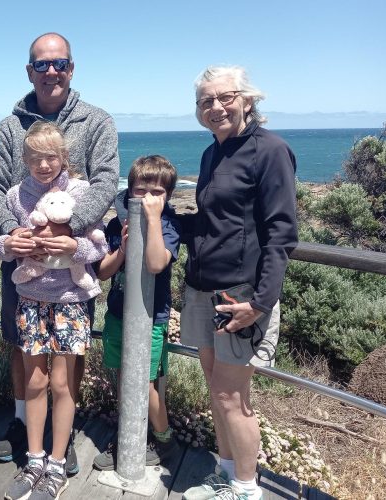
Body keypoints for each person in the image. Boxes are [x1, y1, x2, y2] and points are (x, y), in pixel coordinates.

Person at [0, 32, 120, 475]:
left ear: (71, 67)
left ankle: (64, 436)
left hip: (74, 260)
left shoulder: (97, 121)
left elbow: (105, 181)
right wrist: (13, 232)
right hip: (26, 258)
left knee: (68, 354)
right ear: (30, 71)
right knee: (23, 345)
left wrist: (69, 230)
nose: (51, 72)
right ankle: (25, 426)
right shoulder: (10, 127)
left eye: (59, 63)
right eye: (41, 65)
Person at [180, 66, 297, 500]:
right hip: (203, 286)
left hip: (242, 295)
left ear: (247, 99)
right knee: (216, 384)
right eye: (206, 101)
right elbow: (214, 222)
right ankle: (227, 474)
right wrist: (159, 221)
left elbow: (282, 234)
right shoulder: (213, 153)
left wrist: (261, 302)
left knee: (232, 395)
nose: (215, 107)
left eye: (224, 97)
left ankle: (246, 488)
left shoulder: (271, 151)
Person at [0, 121, 107, 500]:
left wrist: (71, 249)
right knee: (35, 382)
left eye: (51, 157)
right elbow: (3, 245)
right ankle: (34, 460)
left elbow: (99, 248)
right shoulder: (15, 196)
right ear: (24, 159)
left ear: (63, 158)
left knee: (61, 383)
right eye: (35, 158)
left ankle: (57, 464)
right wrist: (10, 245)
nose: (43, 165)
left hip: (71, 303)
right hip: (30, 299)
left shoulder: (80, 192)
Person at [91, 155, 181, 471]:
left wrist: (153, 221)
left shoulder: (168, 225)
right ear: (129, 191)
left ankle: (164, 439)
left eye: (157, 192)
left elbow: (156, 264)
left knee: (146, 382)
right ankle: (131, 433)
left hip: (151, 319)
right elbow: (102, 272)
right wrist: (123, 250)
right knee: (122, 378)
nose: (147, 199)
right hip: (118, 315)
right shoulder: (117, 225)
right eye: (140, 191)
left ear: (168, 196)